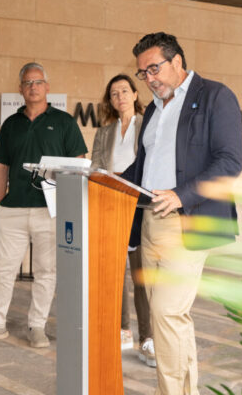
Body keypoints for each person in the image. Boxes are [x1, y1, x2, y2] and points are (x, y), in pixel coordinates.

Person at [122, 32, 242, 394]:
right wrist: (103, 181)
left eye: (154, 68)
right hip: (150, 223)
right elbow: (142, 169)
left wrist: (180, 195)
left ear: (177, 62)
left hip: (187, 220)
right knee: (173, 321)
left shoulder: (215, 96)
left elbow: (230, 161)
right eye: (143, 73)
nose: (149, 79)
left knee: (167, 315)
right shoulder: (154, 112)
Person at [0, 62, 87, 348]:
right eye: (27, 83)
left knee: (47, 270)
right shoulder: (11, 124)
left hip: (51, 210)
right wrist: (0, 199)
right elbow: (0, 165)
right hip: (14, 208)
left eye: (38, 82)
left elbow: (80, 162)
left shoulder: (64, 122)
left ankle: (37, 326)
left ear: (47, 87)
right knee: (5, 268)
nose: (33, 87)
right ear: (20, 89)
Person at [90, 74, 155, 366]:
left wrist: (121, 179)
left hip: (140, 208)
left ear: (135, 94)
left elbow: (150, 165)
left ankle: (148, 338)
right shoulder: (104, 133)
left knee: (142, 276)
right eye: (114, 93)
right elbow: (95, 167)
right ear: (110, 101)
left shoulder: (148, 125)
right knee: (115, 275)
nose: (120, 97)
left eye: (124, 91)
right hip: (111, 207)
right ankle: (121, 332)